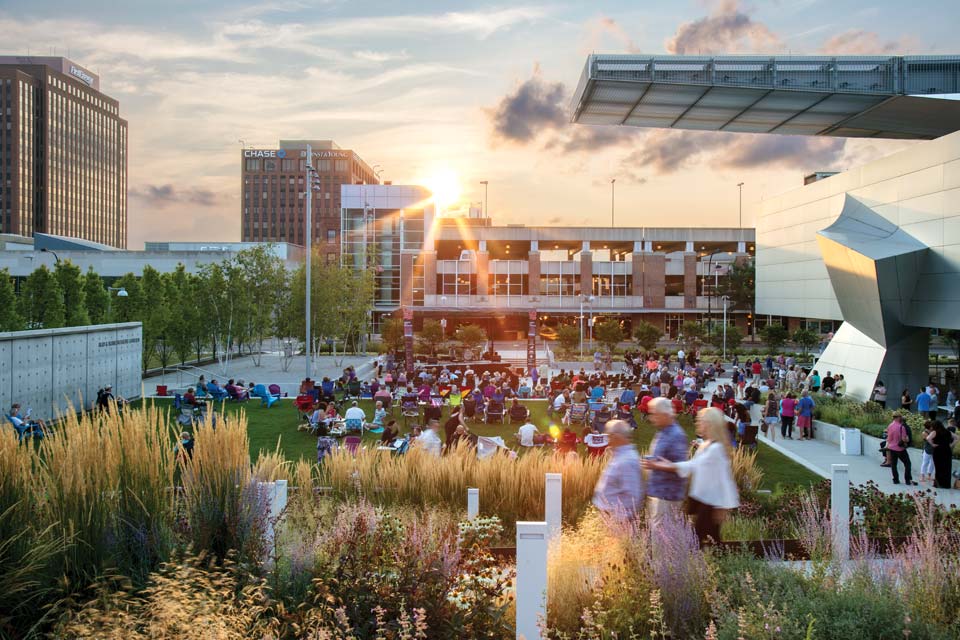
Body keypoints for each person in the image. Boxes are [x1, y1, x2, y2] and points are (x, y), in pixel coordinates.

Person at [643, 408, 739, 545]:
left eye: (700, 421)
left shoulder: (715, 449)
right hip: (701, 501)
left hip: (710, 504)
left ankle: (709, 564)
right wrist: (667, 465)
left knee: (696, 543)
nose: (697, 423)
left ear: (709, 424)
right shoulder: (706, 445)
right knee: (706, 543)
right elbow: (693, 465)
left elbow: (719, 477)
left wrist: (661, 466)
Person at [645, 397, 689, 529]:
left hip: (667, 496)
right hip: (659, 494)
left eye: (654, 414)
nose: (652, 418)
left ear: (665, 414)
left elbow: (681, 467)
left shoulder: (676, 435)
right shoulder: (664, 432)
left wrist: (655, 465)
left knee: (663, 540)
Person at [592, 419, 644, 520]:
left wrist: (617, 519)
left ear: (616, 436)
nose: (607, 438)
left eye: (608, 435)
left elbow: (633, 497)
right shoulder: (619, 456)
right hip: (609, 517)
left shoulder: (627, 460)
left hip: (617, 521)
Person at [886, 414, 915, 485]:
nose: (901, 418)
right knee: (907, 463)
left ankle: (896, 479)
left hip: (892, 447)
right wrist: (907, 440)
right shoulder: (901, 427)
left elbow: (889, 438)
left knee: (894, 464)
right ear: (898, 418)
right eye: (900, 417)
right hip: (900, 449)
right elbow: (904, 439)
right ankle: (907, 480)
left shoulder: (890, 426)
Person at [927, 420, 957, 489]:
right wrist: (951, 445)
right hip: (947, 451)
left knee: (938, 467)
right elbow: (957, 438)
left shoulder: (935, 432)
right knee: (947, 468)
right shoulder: (948, 432)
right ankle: (946, 485)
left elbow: (928, 438)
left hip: (938, 450)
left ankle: (938, 484)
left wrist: (932, 444)